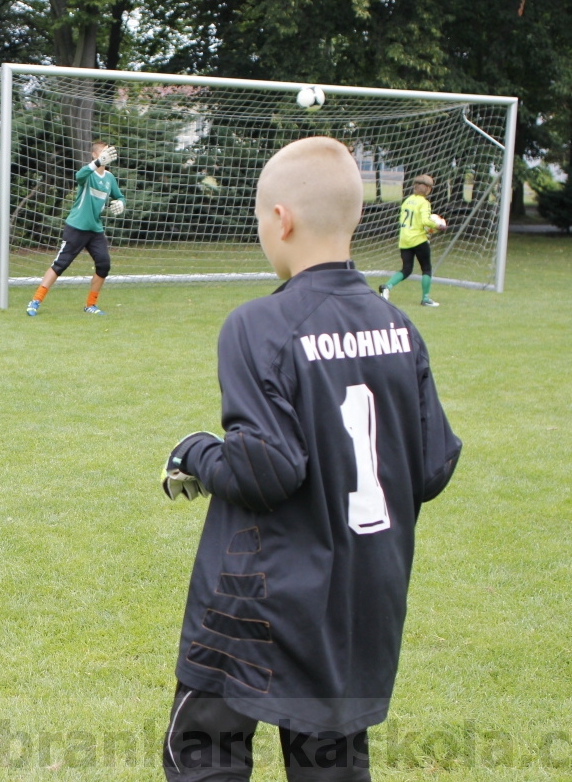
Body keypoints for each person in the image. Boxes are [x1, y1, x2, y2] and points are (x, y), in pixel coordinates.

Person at [159, 137, 461, 781]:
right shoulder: (398, 326)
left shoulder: (257, 324)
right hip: (360, 597)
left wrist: (196, 453)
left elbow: (264, 468)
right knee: (332, 767)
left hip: (254, 593)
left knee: (205, 756)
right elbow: (434, 464)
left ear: (280, 220)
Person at [25, 140, 124, 316]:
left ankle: (90, 305)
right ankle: (35, 301)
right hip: (77, 227)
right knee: (60, 264)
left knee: (104, 265)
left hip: (95, 230)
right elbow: (79, 176)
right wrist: (98, 163)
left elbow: (119, 196)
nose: (106, 155)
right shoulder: (89, 173)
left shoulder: (109, 178)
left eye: (108, 152)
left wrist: (120, 203)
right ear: (94, 155)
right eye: (102, 152)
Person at [379, 173, 445, 307]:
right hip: (418, 240)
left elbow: (402, 219)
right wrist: (438, 226)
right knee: (426, 268)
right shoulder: (424, 203)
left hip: (404, 240)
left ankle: (387, 286)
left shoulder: (407, 201)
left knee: (406, 269)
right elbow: (426, 221)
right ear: (428, 189)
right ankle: (425, 299)